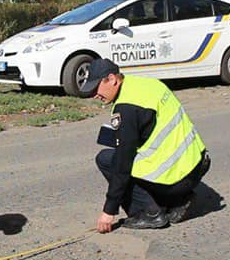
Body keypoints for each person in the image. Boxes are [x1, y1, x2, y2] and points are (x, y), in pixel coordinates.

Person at [80, 59, 211, 233]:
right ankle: (178, 201)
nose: (95, 95)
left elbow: (122, 164)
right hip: (196, 165)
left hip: (174, 179)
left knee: (106, 159)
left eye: (96, 88)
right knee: (125, 149)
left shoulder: (126, 107)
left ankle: (149, 213)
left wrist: (109, 210)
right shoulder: (147, 85)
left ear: (112, 79)